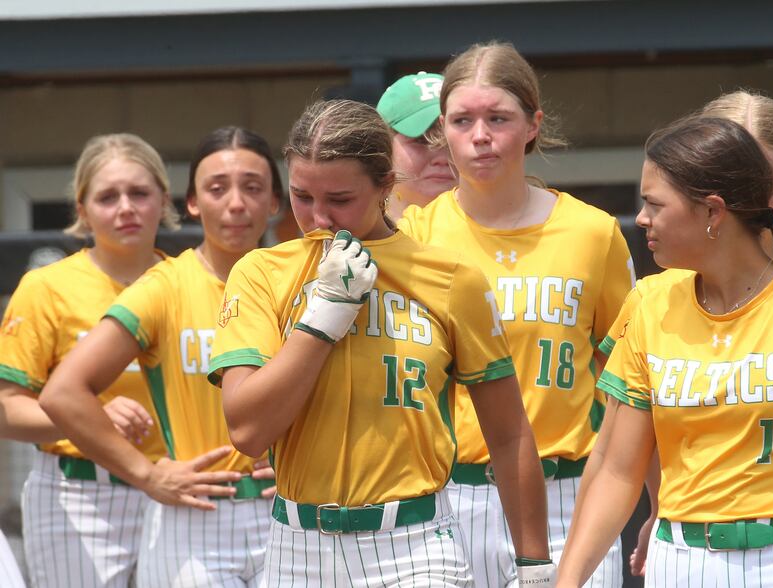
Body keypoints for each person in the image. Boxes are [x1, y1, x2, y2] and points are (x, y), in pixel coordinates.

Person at [209, 99, 555, 586]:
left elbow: (508, 432)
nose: (319, 217)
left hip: (415, 547)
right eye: (302, 196)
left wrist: (534, 562)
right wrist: (322, 319)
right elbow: (247, 430)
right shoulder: (262, 271)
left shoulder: (451, 279)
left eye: (340, 198)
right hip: (297, 546)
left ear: (386, 187)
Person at [399, 41, 632, 586]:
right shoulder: (414, 237)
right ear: (443, 131)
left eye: (498, 118)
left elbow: (628, 379)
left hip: (570, 492)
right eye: (462, 120)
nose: (480, 135)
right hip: (452, 499)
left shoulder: (593, 232)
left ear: (532, 125)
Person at [557, 115, 773, 587]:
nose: (642, 218)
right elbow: (614, 468)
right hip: (679, 560)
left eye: (653, 204)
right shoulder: (649, 302)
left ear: (713, 212)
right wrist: (567, 582)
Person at [40, 126, 283, 587]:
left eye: (253, 188)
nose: (236, 203)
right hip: (194, 521)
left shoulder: (301, 281)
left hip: (288, 513)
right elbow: (63, 392)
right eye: (217, 188)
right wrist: (146, 475)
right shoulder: (163, 285)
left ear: (275, 202)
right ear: (192, 202)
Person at [0, 132, 179, 587]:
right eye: (107, 196)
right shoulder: (46, 287)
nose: (126, 207)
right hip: (78, 493)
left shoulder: (189, 282)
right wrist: (90, 417)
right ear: (81, 210)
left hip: (178, 488)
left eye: (140, 193)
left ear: (164, 200)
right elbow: (7, 409)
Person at [376, 72, 457, 220]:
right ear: (382, 149)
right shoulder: (351, 235)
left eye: (452, 142)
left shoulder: (500, 231)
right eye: (422, 140)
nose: (442, 158)